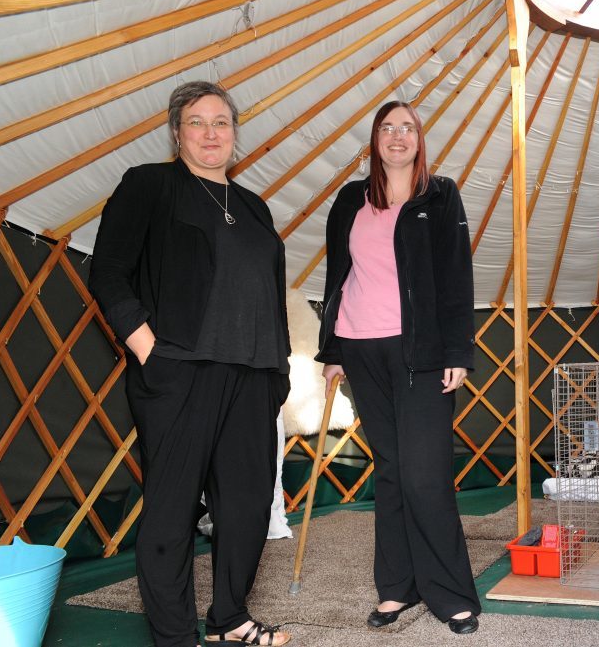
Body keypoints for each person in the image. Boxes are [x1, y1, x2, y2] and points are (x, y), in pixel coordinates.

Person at [89, 81, 292, 647]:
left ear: (235, 133)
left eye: (221, 122)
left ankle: (229, 616)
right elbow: (108, 270)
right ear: (176, 132)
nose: (210, 133)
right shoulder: (150, 185)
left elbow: (269, 293)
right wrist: (147, 346)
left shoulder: (253, 205)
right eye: (197, 122)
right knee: (173, 510)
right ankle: (175, 636)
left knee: (249, 506)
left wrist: (279, 370)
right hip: (181, 370)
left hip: (254, 376)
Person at [315, 100, 480, 634]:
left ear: (419, 138)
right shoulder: (349, 200)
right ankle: (396, 588)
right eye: (387, 128)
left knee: (426, 475)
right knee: (389, 471)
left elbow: (456, 275)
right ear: (375, 140)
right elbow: (337, 276)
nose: (397, 135)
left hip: (422, 354)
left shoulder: (440, 194)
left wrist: (457, 352)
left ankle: (451, 592)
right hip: (360, 348)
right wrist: (332, 349)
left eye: (407, 127)